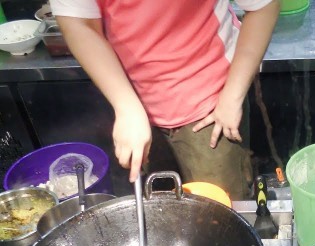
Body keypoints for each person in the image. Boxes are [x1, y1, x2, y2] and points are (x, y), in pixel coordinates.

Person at [50, 0, 280, 200]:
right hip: (134, 103)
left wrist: (232, 96)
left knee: (223, 211)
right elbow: (79, 23)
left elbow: (263, 6)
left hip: (212, 102)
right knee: (163, 209)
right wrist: (127, 107)